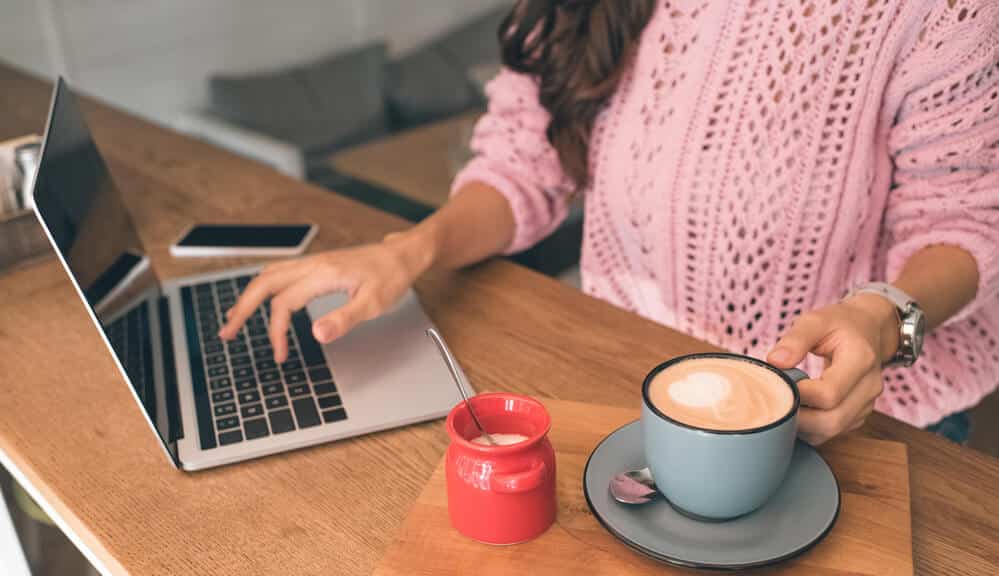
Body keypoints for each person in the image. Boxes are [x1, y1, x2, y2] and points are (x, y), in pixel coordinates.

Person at [221, 0, 998, 445]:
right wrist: (408, 248)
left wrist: (879, 316)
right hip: (630, 385)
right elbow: (523, 162)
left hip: (860, 420)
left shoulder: (941, 14)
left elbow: (961, 221)